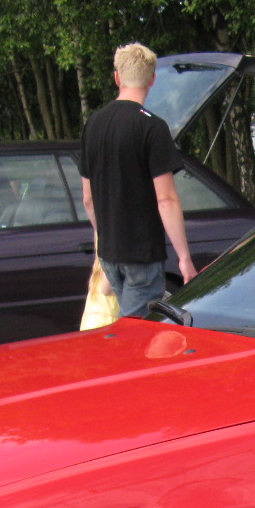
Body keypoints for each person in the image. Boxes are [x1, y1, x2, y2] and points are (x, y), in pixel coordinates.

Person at [79, 43, 197, 317]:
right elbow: (166, 199)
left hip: (109, 254)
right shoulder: (151, 127)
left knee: (129, 329)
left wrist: (104, 236)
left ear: (117, 77)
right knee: (137, 336)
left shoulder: (93, 124)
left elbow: (88, 198)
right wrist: (184, 259)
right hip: (141, 254)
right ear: (152, 80)